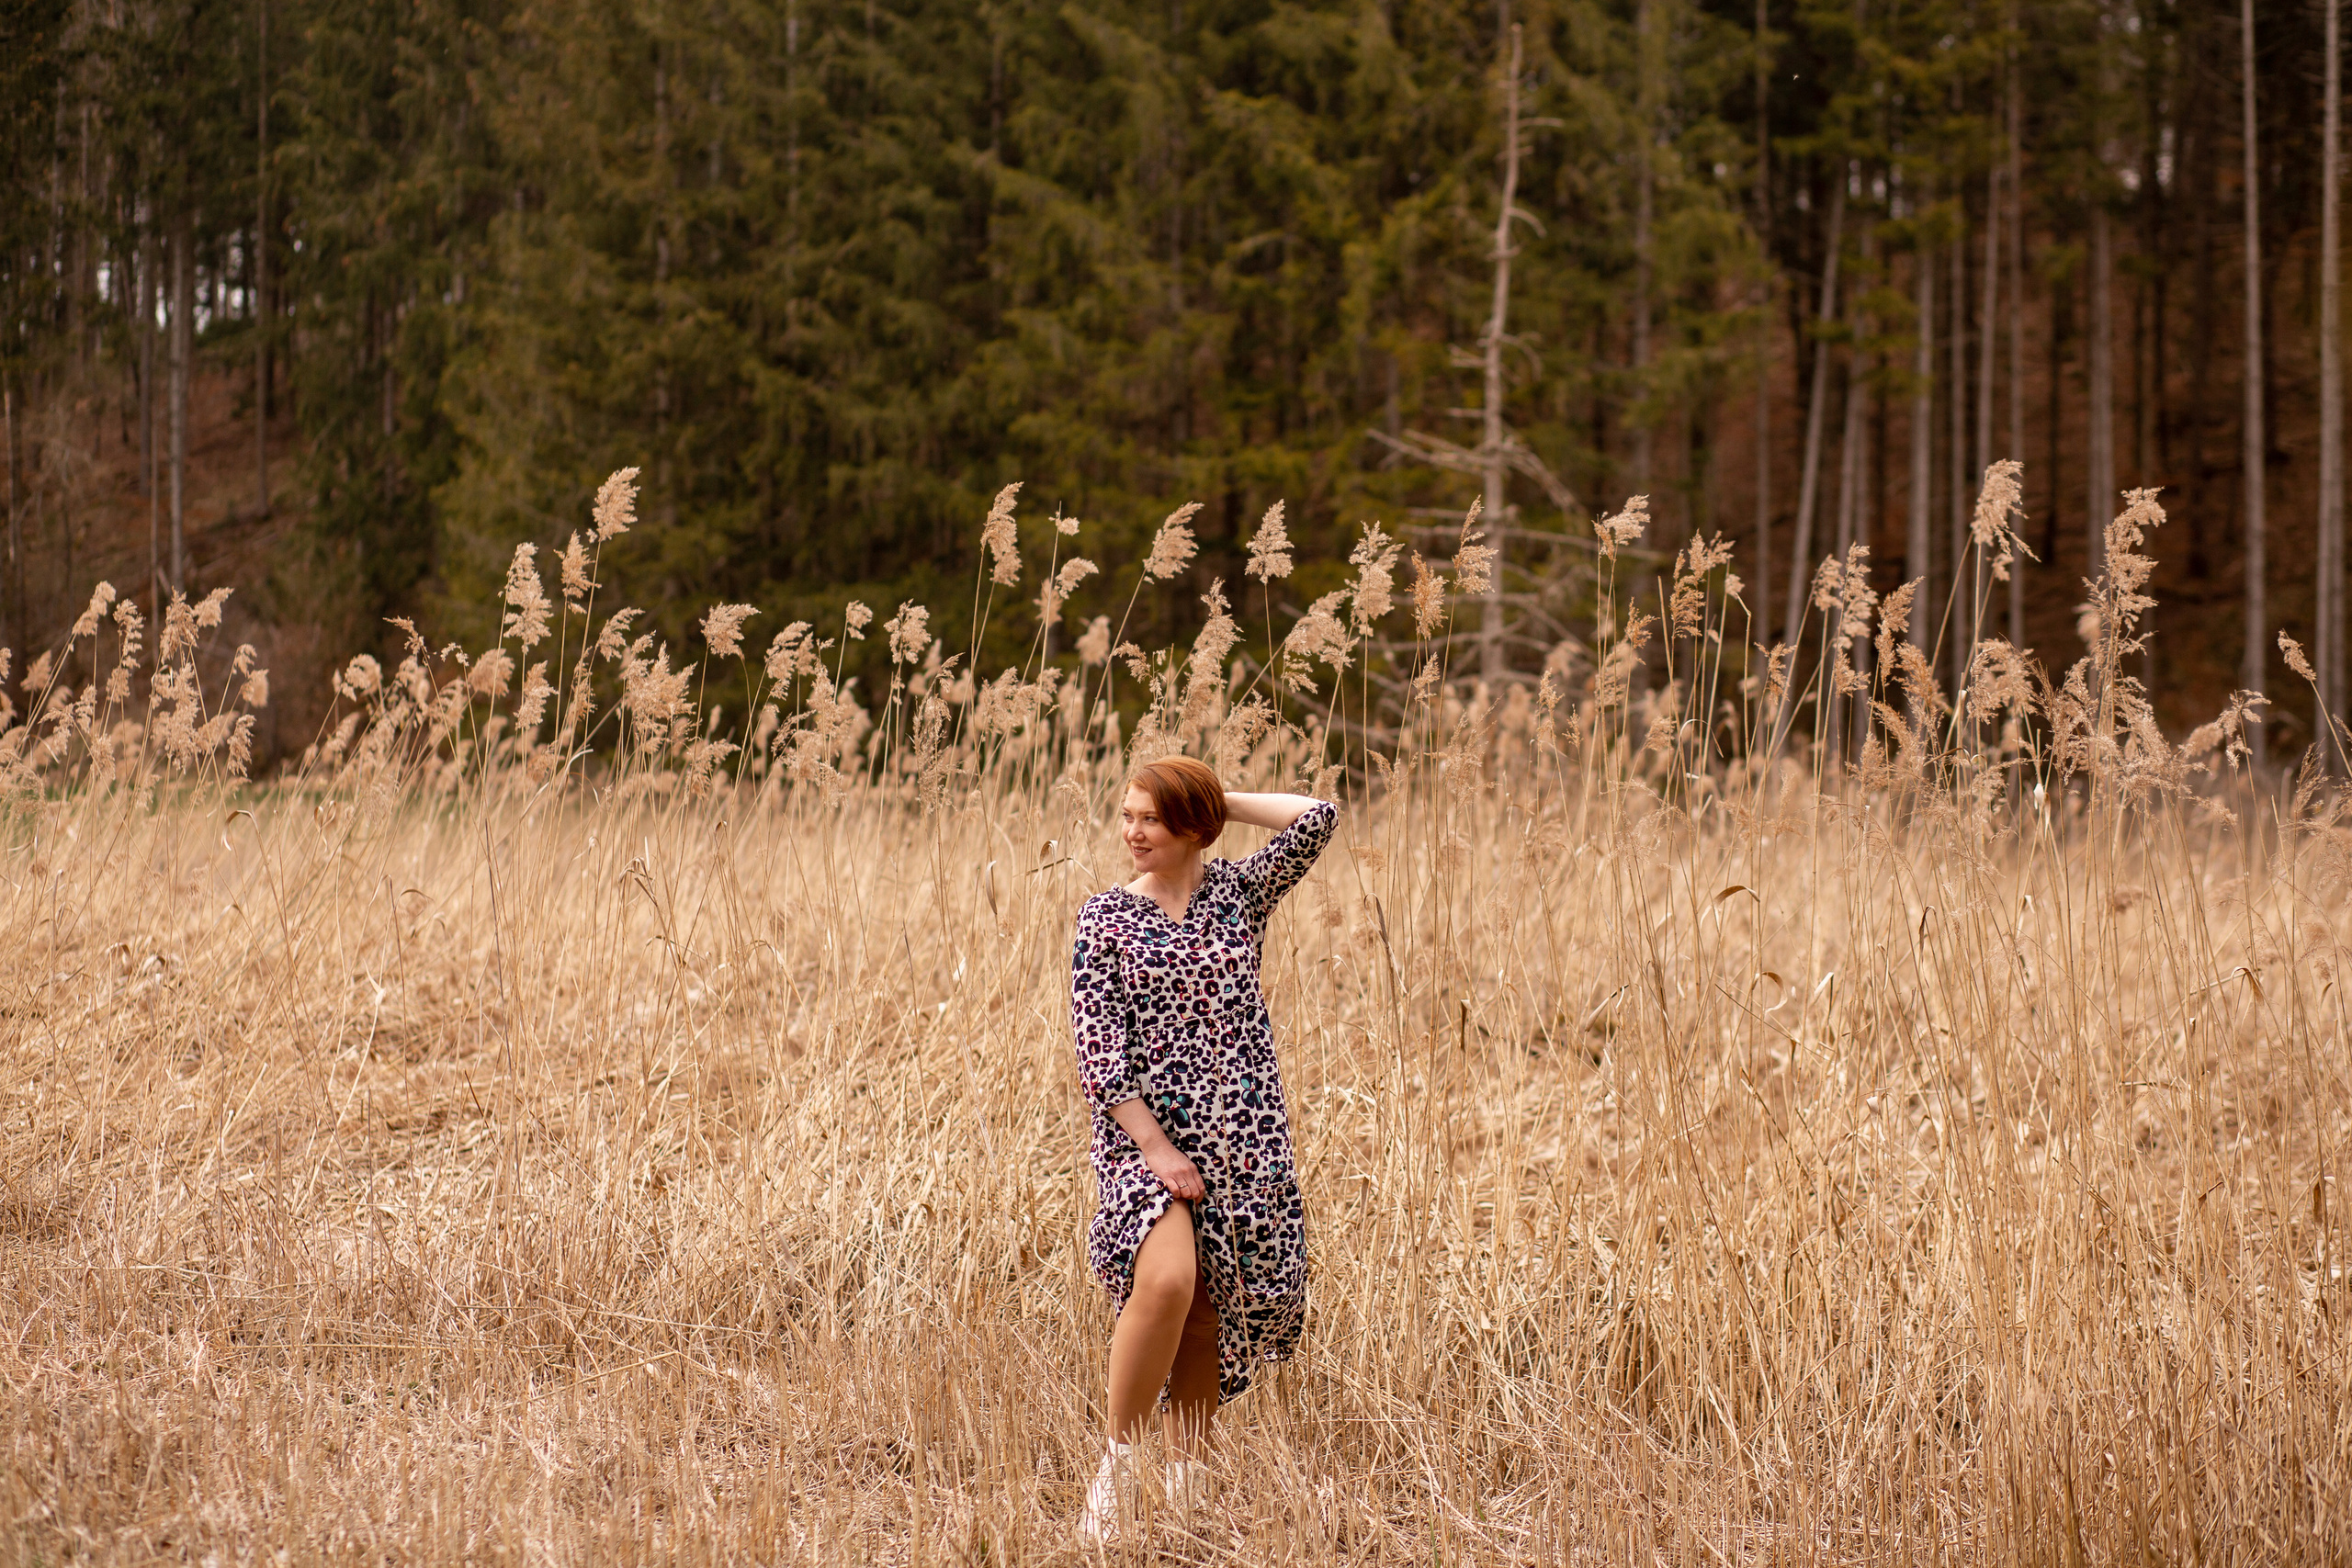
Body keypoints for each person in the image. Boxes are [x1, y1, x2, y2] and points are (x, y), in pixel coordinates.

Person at [1068, 756, 1339, 1540]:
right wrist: (1153, 1146)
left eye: (1149, 817)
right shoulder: (1104, 917)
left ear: (1191, 824)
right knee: (1168, 1281)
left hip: (1244, 1133)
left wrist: (1215, 797)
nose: (1131, 832)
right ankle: (1115, 1473)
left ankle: (1187, 1485)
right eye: (1126, 816)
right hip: (1142, 1137)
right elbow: (1097, 1048)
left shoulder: (1238, 895)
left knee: (1211, 1307)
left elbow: (1316, 816)